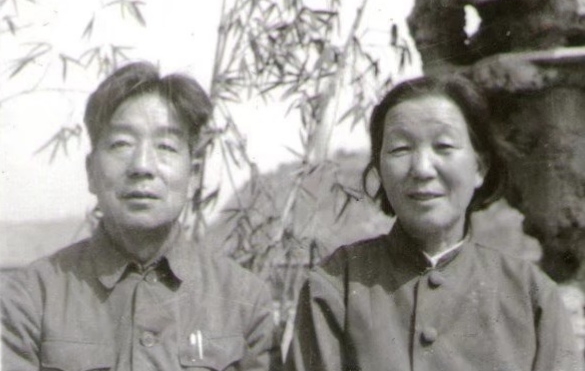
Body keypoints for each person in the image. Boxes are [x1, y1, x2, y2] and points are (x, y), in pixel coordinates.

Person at [285, 74, 580, 371]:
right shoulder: (336, 285)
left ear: (479, 167)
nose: (422, 169)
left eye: (443, 146)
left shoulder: (531, 295)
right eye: (401, 149)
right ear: (379, 171)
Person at [1, 61, 278, 371]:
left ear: (194, 174)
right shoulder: (30, 297)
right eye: (122, 144)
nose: (142, 166)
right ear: (91, 171)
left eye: (166, 146)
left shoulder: (244, 299)